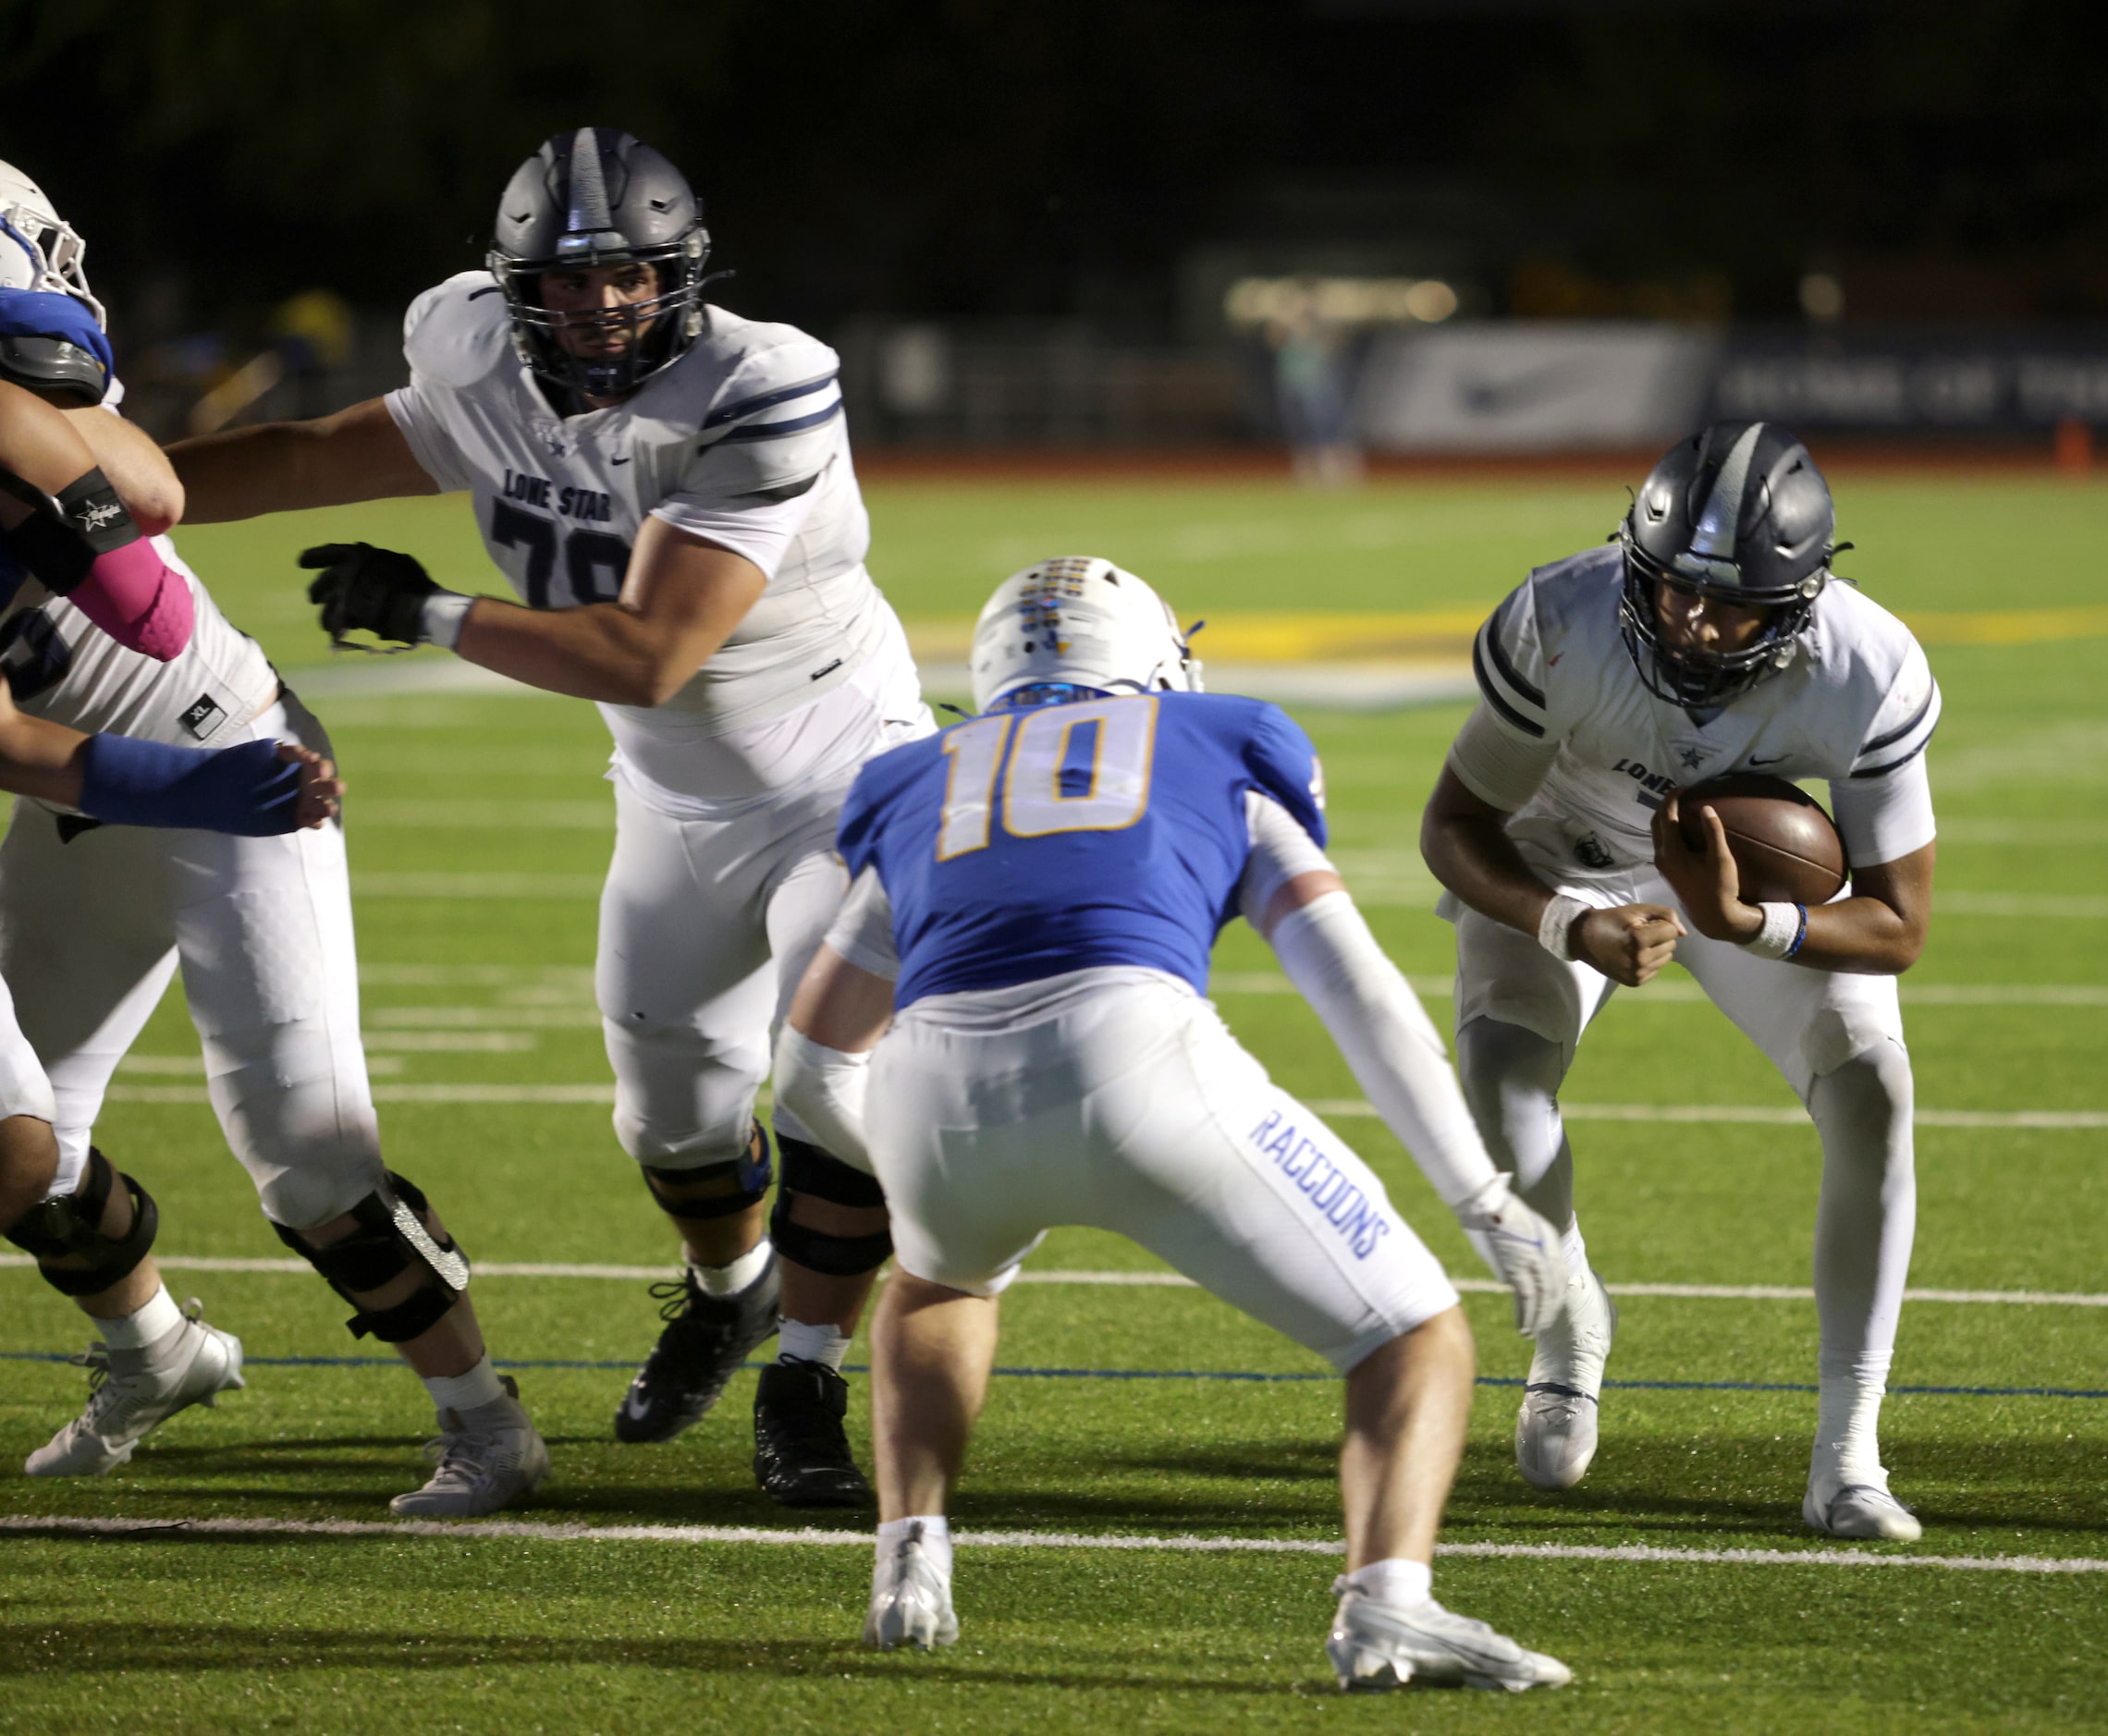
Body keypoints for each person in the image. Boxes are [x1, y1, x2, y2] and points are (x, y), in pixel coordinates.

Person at [166, 128, 934, 1506]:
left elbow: (649, 652)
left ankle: (808, 1373)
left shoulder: (764, 381)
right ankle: (733, 1290)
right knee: (674, 1124)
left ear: (682, 272)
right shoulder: (473, 358)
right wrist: (90, 504)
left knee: (832, 1086)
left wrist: (429, 609)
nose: (604, 306)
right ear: (511, 286)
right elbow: (292, 461)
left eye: (633, 276)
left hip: (845, 785)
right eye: (572, 284)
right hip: (671, 794)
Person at [772, 556, 1572, 1692]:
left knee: (939, 1280)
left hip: (929, 1086)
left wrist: (911, 1164)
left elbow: (808, 1065)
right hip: (1133, 1050)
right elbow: (1356, 988)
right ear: (1152, 660)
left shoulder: (921, 778)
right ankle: (1387, 1610)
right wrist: (1480, 1196)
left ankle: (910, 1564)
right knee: (1412, 1335)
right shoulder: (1217, 741)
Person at [0, 165, 546, 1515]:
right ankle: (157, 1352)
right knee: (26, 1151)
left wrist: (17, 414)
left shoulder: (45, 407)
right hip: (103, 781)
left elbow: (142, 555)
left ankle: (489, 1424)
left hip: (233, 748)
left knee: (309, 1156)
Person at [1419, 421, 1936, 1542]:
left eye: (1732, 604)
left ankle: (1848, 1455)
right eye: (1672, 592)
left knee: (1873, 1096)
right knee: (1501, 1092)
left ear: (1799, 601)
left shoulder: (1868, 666)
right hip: (1565, 850)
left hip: (1738, 878)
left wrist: (1744, 918)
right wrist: (1566, 921)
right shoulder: (1563, 619)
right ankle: (1568, 1330)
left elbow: (1898, 925)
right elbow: (1456, 824)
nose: (1695, 624)